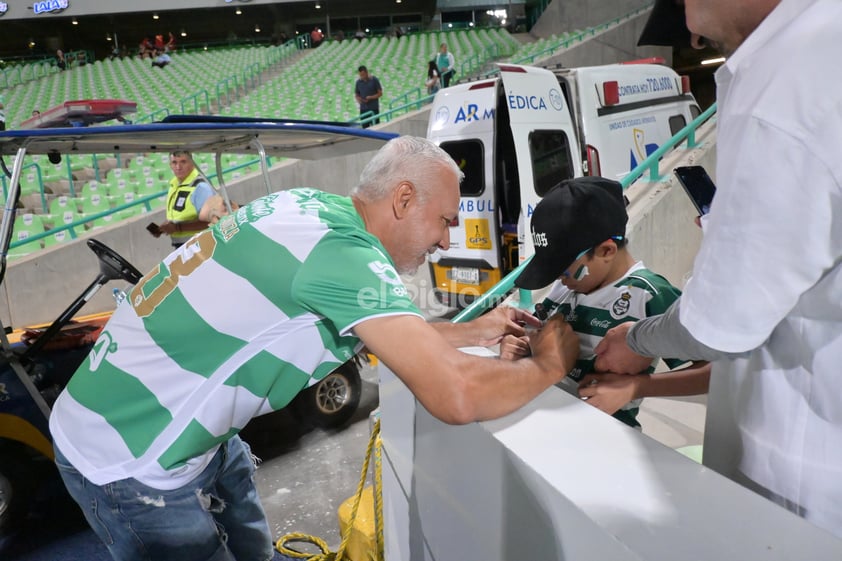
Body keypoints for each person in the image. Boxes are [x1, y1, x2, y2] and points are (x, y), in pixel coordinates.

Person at [49, 136, 580, 561]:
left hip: (172, 424)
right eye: (444, 220)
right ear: (402, 198)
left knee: (250, 534)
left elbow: (385, 332)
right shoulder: (345, 255)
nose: (446, 240)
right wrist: (552, 362)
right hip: (127, 456)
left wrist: (475, 329)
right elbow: (455, 394)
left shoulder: (307, 208)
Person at [593, 0, 842, 539]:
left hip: (803, 486)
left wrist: (635, 343)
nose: (692, 35)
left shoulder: (786, 86)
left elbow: (720, 324)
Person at [499, 177, 709, 428]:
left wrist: (636, 387)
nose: (559, 279)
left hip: (610, 440)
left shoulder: (650, 295)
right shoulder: (564, 289)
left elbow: (713, 371)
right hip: (550, 426)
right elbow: (538, 340)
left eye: (564, 270)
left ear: (606, 251)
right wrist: (523, 347)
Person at [148, 150, 214, 248]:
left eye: (183, 162)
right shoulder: (174, 185)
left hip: (200, 245)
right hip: (183, 246)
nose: (178, 167)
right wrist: (167, 227)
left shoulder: (200, 186)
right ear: (170, 165)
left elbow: (211, 221)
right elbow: (181, 214)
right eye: (174, 162)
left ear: (192, 163)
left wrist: (177, 228)